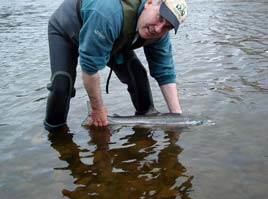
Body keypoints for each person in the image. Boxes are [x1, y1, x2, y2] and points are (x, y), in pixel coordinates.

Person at [44, 0, 187, 132]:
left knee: (138, 76)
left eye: (167, 27)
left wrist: (177, 118)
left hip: (110, 38)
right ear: (149, 3)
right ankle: (56, 136)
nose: (158, 29)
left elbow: (165, 72)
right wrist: (97, 109)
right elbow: (90, 68)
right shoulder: (108, 14)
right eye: (159, 18)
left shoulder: (160, 33)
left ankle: (144, 132)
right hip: (67, 32)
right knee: (62, 86)